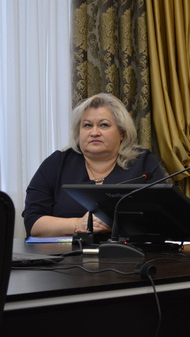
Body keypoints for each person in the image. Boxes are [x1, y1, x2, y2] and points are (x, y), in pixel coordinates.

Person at [23, 93, 166, 237]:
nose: (94, 133)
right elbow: (32, 222)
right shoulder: (57, 163)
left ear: (122, 133)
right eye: (87, 125)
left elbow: (164, 219)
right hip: (67, 251)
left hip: (126, 250)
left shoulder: (142, 163)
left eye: (103, 125)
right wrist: (77, 224)